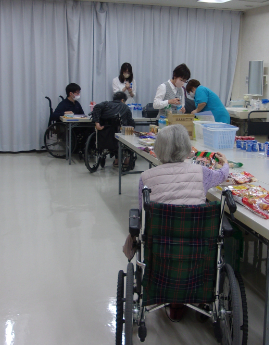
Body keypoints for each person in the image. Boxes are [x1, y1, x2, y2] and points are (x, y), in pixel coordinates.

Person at [122, 124, 229, 321]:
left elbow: (143, 213)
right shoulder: (201, 172)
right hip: (198, 254)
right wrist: (225, 163)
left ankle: (169, 300)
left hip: (160, 252)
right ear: (187, 149)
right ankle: (199, 299)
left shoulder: (146, 177)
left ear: (158, 149)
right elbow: (222, 176)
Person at [91, 91, 135, 167]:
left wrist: (97, 123)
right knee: (127, 133)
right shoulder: (125, 107)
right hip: (118, 137)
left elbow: (96, 107)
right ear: (122, 100)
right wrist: (133, 127)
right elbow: (130, 122)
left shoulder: (106, 104)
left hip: (104, 135)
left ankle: (116, 159)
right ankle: (126, 159)